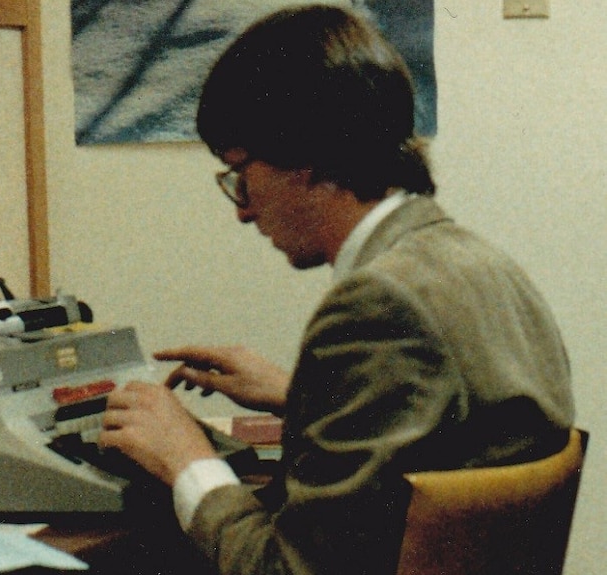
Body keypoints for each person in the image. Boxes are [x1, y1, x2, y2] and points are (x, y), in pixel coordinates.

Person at [98, 5, 575, 575]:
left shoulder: (378, 305)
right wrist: (302, 394)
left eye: (240, 174)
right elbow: (454, 430)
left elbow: (288, 571)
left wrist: (188, 462)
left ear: (304, 157)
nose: (243, 212)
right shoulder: (482, 265)